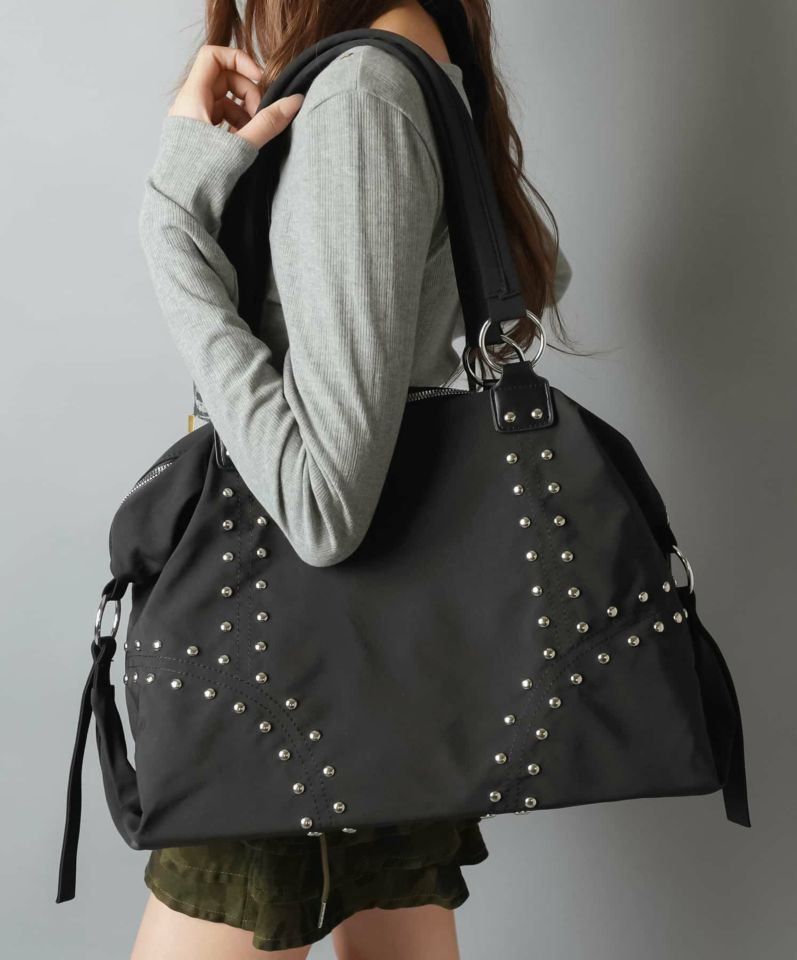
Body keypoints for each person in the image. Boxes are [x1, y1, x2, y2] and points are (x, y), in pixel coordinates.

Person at [131, 1, 572, 956]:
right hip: (381, 658)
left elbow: (322, 507)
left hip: (288, 673)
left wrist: (173, 224)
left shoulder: (364, 97)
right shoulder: (399, 67)